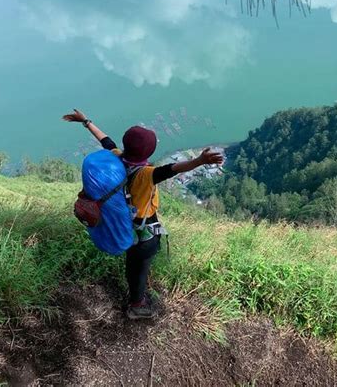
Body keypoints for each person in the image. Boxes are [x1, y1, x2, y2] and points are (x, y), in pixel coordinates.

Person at [63, 108, 224, 319]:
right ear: (148, 153)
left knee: (132, 262)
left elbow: (105, 140)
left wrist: (86, 121)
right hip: (144, 231)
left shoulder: (116, 158)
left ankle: (135, 293)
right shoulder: (147, 174)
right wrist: (200, 161)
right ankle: (137, 305)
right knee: (140, 268)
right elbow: (173, 168)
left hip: (125, 224)